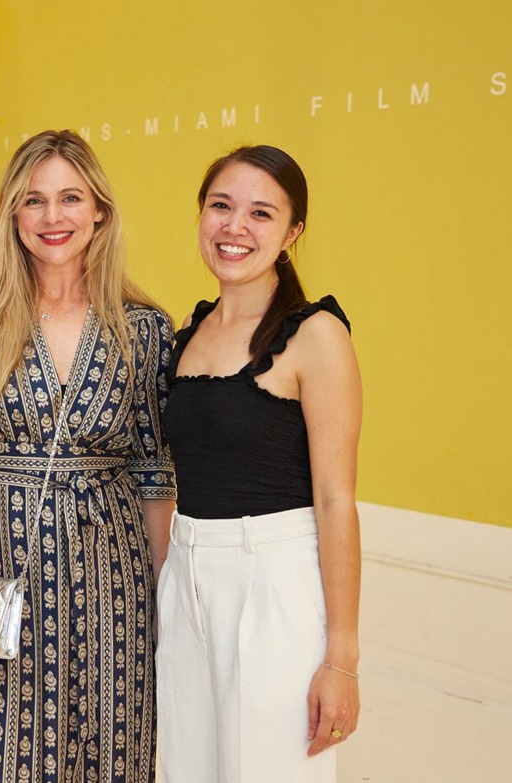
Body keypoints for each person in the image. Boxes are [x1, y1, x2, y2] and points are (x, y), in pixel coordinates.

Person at [0, 130, 177, 782]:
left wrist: (162, 607)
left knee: (106, 749)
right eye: (34, 201)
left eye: (70, 199)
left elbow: (154, 478)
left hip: (111, 587)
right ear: (12, 213)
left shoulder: (143, 329)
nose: (52, 218)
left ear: (99, 211)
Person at [157, 145, 362, 783]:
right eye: (221, 206)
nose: (234, 228)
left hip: (276, 582)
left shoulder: (315, 335)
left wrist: (343, 658)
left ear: (292, 232)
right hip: (187, 578)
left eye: (260, 213)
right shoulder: (185, 334)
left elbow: (335, 500)